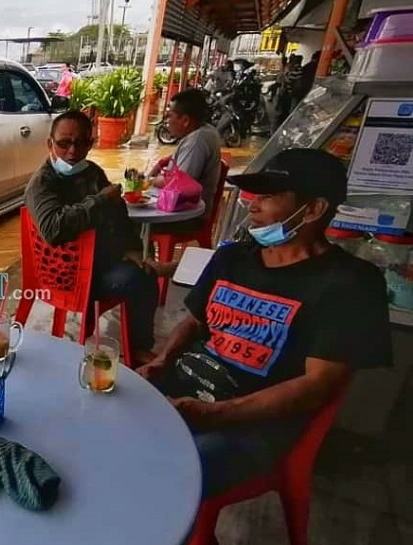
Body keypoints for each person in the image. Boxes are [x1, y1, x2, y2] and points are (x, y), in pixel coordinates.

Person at [137, 148, 392, 516]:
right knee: (95, 425)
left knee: (162, 476)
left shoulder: (350, 285)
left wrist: (215, 414)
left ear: (314, 209)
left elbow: (318, 385)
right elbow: (194, 322)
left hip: (251, 427)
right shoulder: (233, 258)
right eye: (254, 194)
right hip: (183, 393)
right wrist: (161, 362)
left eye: (269, 195)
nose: (252, 206)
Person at [25, 110, 162, 365]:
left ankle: (138, 343)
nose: (72, 151)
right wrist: (100, 200)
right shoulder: (42, 184)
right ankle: (139, 350)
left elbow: (118, 211)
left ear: (90, 143)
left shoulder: (92, 173)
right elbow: (54, 229)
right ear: (50, 144)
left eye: (81, 143)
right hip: (64, 273)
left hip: (99, 263)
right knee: (140, 279)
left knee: (143, 261)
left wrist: (132, 247)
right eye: (64, 143)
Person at [149, 89, 224, 233]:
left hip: (187, 216)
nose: (167, 120)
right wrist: (161, 164)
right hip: (187, 208)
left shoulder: (197, 141)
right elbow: (177, 161)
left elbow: (178, 184)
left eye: (170, 116)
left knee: (129, 223)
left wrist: (148, 180)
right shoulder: (206, 131)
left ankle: (143, 254)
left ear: (185, 120)